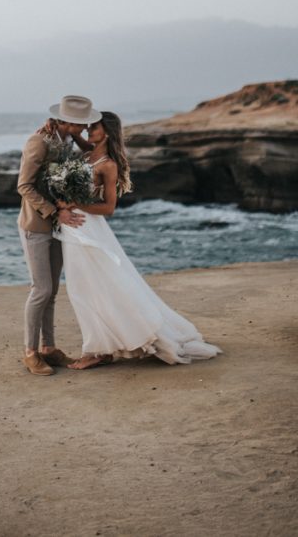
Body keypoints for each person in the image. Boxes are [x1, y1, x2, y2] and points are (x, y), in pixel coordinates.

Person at [57, 112, 222, 369]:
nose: (89, 129)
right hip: (72, 228)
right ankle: (102, 347)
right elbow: (77, 140)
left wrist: (75, 203)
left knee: (91, 288)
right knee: (82, 288)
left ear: (108, 132)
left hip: (88, 229)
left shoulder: (108, 164)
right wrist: (68, 128)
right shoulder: (87, 153)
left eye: (94, 126)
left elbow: (109, 207)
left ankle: (97, 350)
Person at [17, 95, 98, 376]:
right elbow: (24, 186)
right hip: (36, 227)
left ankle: (49, 348)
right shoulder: (38, 142)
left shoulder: (65, 139)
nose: (85, 128)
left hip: (56, 226)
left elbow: (79, 159)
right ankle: (30, 353)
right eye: (81, 124)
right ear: (67, 122)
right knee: (40, 290)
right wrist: (56, 212)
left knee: (51, 291)